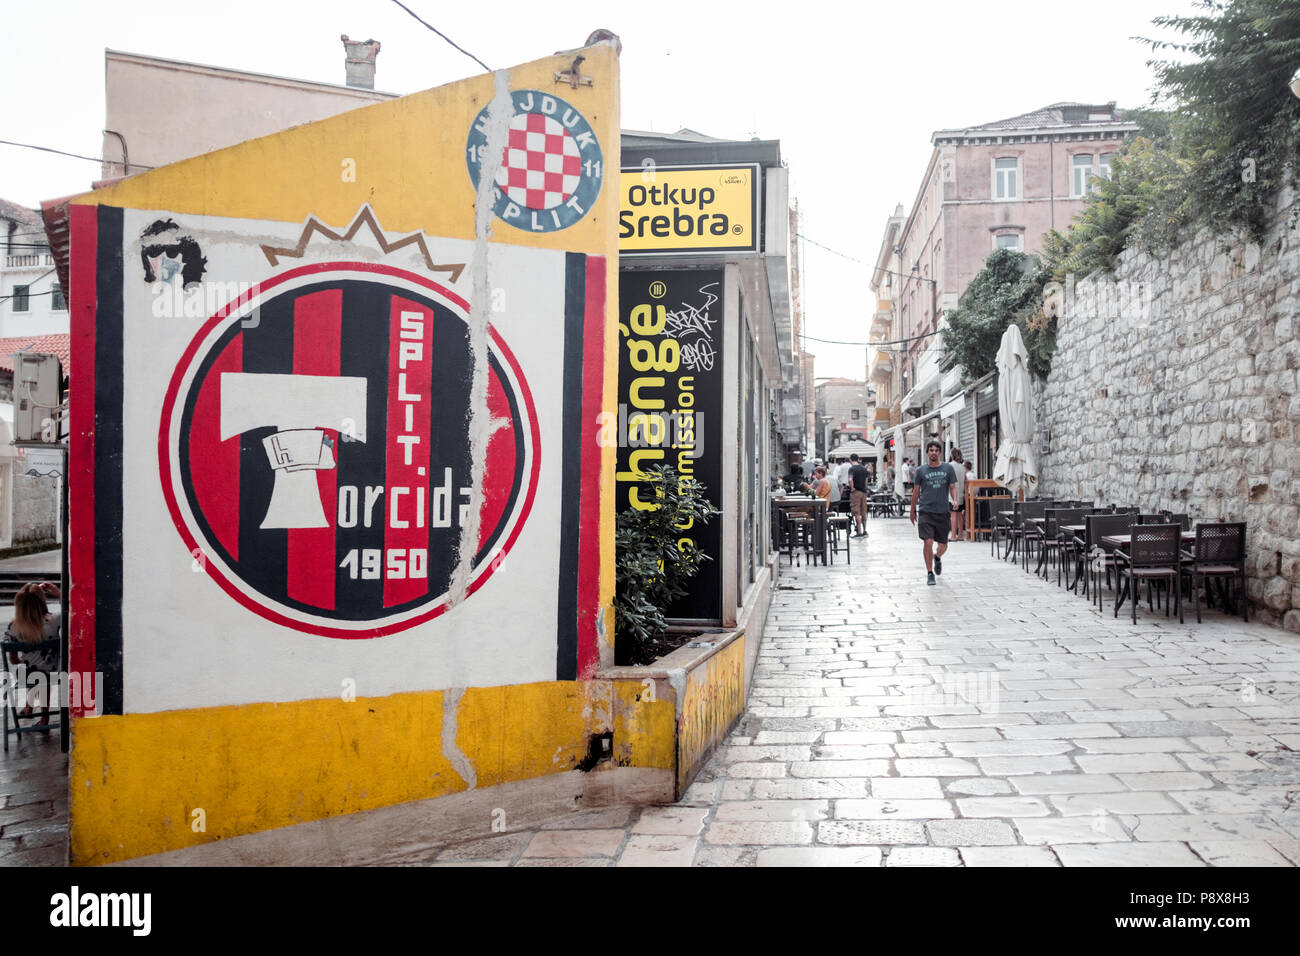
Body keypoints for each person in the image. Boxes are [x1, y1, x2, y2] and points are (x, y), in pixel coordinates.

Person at [5, 582, 61, 722]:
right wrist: (59, 594)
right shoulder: (55, 620)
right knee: (43, 673)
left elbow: (13, 660)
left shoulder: (14, 627)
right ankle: (43, 715)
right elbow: (74, 609)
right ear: (42, 601)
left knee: (29, 668)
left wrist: (23, 660)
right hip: (56, 673)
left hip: (28, 675)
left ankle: (32, 709)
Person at [910, 440, 959, 585]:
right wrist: (912, 511)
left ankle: (937, 557)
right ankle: (929, 573)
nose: (934, 452)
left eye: (936, 450)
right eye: (931, 450)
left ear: (940, 453)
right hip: (926, 510)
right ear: (927, 453)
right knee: (928, 541)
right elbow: (916, 492)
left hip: (942, 511)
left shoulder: (948, 468)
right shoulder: (920, 471)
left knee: (943, 545)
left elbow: (952, 487)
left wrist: (955, 500)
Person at [848, 453, 871, 538]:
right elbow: (866, 480)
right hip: (864, 492)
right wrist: (864, 487)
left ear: (850, 459)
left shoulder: (851, 469)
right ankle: (865, 530)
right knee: (863, 511)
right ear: (858, 459)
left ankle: (859, 532)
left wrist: (852, 488)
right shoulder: (864, 469)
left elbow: (850, 479)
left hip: (856, 492)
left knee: (856, 512)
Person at [949, 448, 967, 542]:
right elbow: (965, 480)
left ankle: (953, 535)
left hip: (952, 494)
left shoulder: (950, 465)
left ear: (952, 455)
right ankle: (960, 535)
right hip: (960, 493)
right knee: (959, 514)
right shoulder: (962, 467)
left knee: (953, 515)